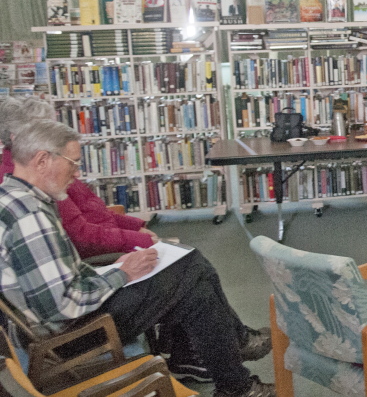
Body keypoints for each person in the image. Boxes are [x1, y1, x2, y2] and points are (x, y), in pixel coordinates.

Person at [0, 120, 275, 397]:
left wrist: (114, 269)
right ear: (42, 160)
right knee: (191, 269)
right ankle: (235, 366)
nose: (76, 172)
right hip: (71, 334)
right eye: (72, 162)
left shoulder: (13, 198)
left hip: (57, 321)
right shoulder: (31, 218)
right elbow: (64, 305)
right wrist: (122, 274)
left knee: (193, 282)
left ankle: (235, 380)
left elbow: (58, 279)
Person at [0, 97, 156, 258]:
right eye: (46, 130)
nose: (57, 134)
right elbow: (80, 236)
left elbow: (93, 211)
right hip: (101, 254)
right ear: (16, 138)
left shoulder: (54, 166)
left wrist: (134, 227)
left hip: (110, 242)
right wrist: (137, 239)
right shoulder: (38, 176)